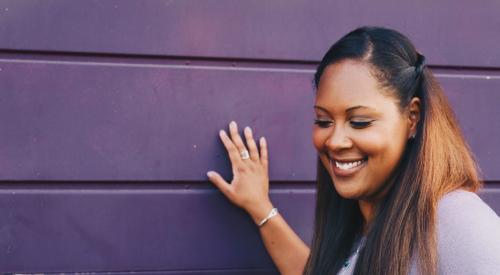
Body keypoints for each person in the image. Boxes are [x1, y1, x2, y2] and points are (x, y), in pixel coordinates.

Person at [206, 26, 500, 275]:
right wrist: (260, 206)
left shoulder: (456, 222)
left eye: (359, 122)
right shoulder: (363, 218)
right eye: (323, 120)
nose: (335, 141)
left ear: (412, 117)